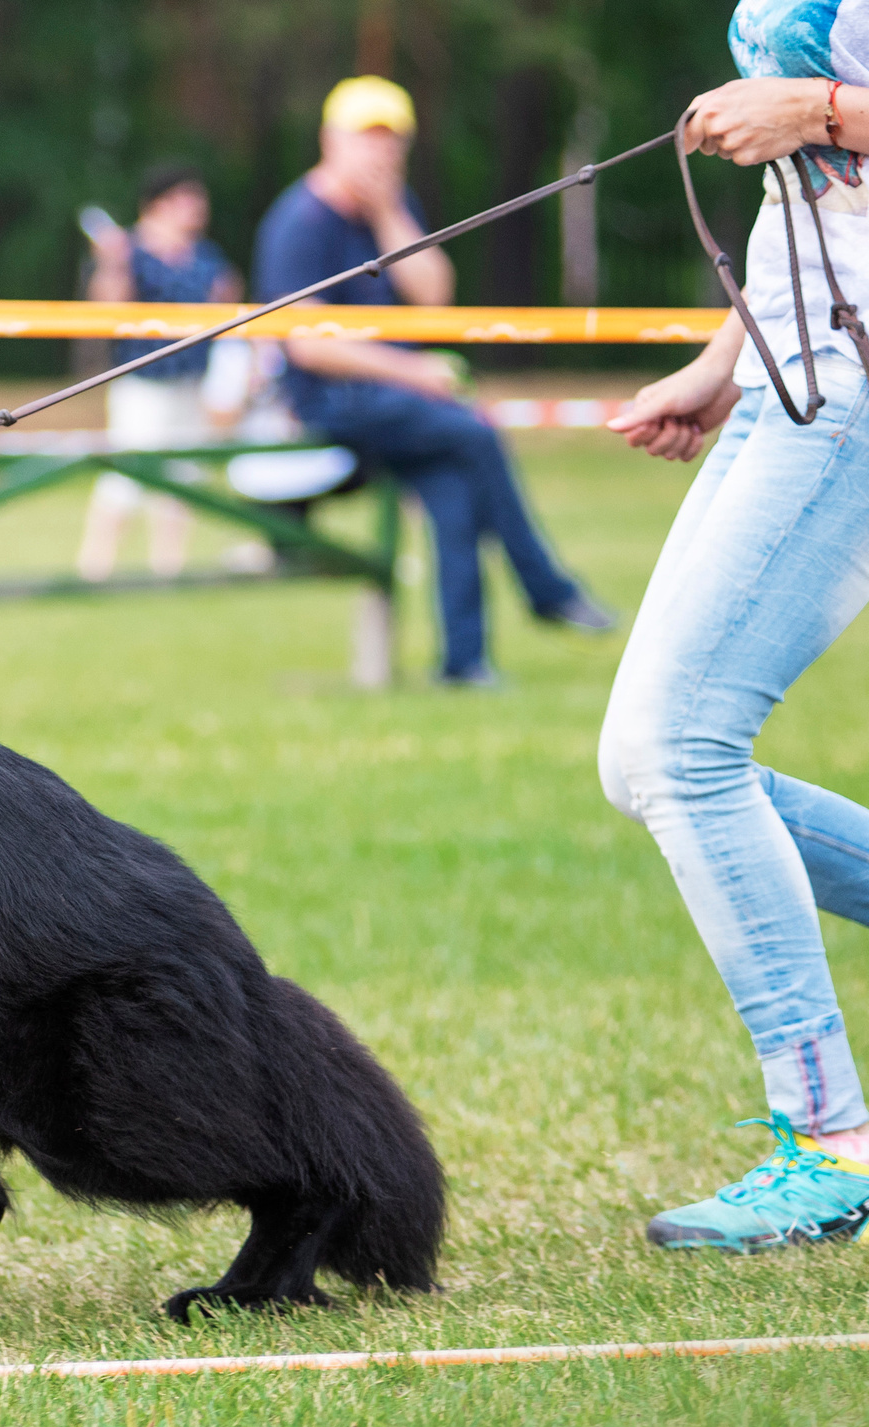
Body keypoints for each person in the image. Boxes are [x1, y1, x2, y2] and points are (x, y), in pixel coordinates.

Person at [600, 0, 869, 1252]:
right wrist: (723, 363)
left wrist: (818, 109)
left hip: (856, 386)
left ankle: (831, 1141)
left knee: (678, 748)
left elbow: (818, 133)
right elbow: (812, 198)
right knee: (640, 761)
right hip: (789, 368)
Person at [252, 76, 615, 685]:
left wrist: (390, 212)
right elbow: (307, 347)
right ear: (329, 140)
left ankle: (465, 664)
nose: (380, 153)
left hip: (393, 399)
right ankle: (545, 588)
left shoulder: (395, 211)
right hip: (326, 402)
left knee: (453, 489)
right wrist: (414, 371)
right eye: (366, 138)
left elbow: (434, 297)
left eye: (391, 140)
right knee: (473, 432)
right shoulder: (300, 220)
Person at [76, 163, 241, 579]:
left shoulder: (205, 255)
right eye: (187, 197)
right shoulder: (128, 250)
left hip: (191, 381)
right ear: (159, 204)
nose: (198, 207)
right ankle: (96, 569)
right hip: (142, 385)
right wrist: (112, 264)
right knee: (125, 480)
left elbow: (228, 303)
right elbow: (106, 312)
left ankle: (169, 570)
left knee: (183, 479)